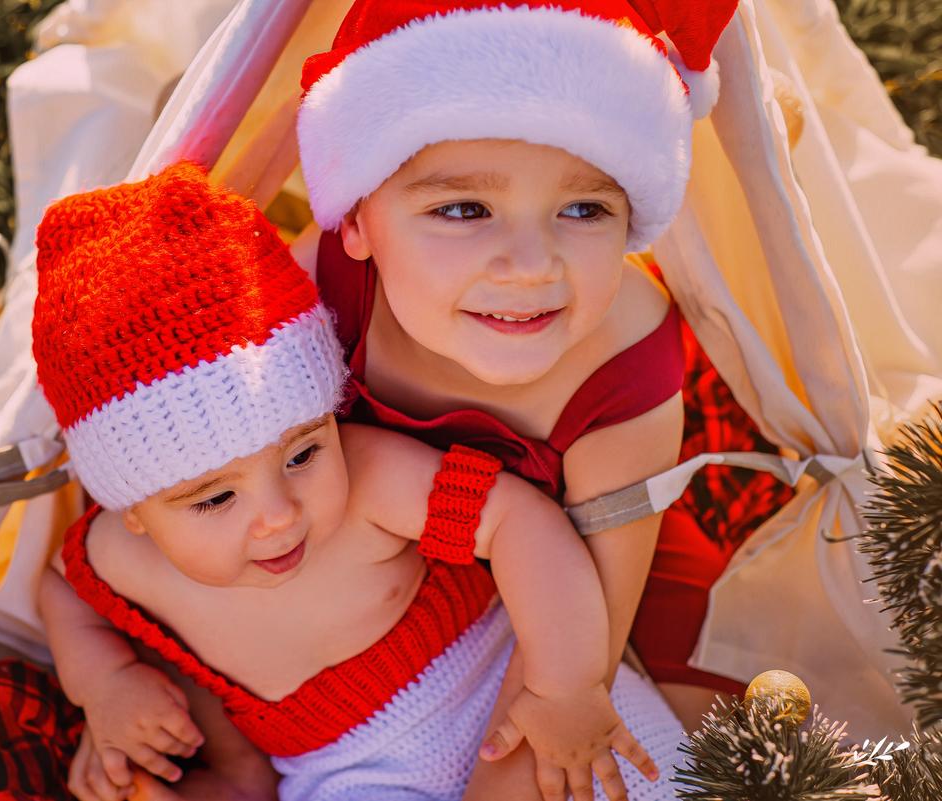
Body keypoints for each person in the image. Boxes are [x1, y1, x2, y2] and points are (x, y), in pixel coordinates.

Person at [33, 161, 672, 801]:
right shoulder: (114, 555)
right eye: (218, 498)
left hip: (502, 680)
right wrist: (104, 681)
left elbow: (519, 520)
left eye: (302, 456)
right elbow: (59, 587)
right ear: (133, 510)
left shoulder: (367, 478)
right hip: (346, 773)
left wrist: (564, 688)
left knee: (638, 779)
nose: (280, 513)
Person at [286, 2, 793, 760]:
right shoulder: (320, 289)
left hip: (595, 570)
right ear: (355, 221)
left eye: (584, 209)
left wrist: (549, 724)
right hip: (390, 555)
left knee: (718, 732)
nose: (530, 266)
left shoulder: (625, 360)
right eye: (465, 209)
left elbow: (579, 665)